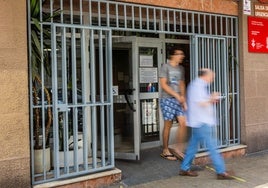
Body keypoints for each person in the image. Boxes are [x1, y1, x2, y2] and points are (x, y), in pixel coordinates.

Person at [179, 68, 234, 179]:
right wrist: (212, 98)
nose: (212, 78)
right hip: (202, 122)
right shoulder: (196, 86)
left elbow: (202, 101)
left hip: (199, 122)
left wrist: (211, 99)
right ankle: (221, 171)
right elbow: (201, 103)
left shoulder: (200, 86)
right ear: (205, 75)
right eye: (212, 76)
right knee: (212, 146)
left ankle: (184, 168)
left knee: (193, 146)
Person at [159, 47, 187, 161]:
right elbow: (163, 85)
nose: (182, 56)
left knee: (183, 122)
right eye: (180, 54)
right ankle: (165, 150)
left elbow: (181, 84)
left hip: (178, 99)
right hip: (167, 99)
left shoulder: (180, 68)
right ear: (173, 55)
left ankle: (178, 148)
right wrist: (176, 95)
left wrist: (183, 98)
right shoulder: (165, 67)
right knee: (168, 125)